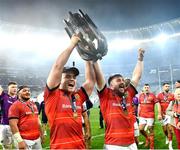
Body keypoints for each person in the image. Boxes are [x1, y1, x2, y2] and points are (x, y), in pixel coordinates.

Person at [44, 34, 95, 149]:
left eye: (74, 77)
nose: (72, 79)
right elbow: (57, 66)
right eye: (67, 76)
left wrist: (86, 57)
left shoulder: (77, 96)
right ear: (59, 80)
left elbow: (91, 81)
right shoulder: (52, 94)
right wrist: (72, 44)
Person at [93, 48, 145, 150]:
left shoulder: (128, 93)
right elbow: (99, 76)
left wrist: (140, 59)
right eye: (118, 80)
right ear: (111, 86)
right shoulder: (106, 95)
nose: (122, 82)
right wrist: (94, 60)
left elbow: (136, 76)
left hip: (131, 144)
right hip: (113, 145)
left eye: (122, 79)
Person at [8, 85, 44, 149]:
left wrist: (41, 134)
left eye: (28, 91)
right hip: (24, 139)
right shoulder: (15, 106)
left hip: (37, 138)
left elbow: (37, 121)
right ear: (18, 93)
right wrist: (19, 141)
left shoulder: (33, 104)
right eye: (24, 91)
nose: (27, 92)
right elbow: (13, 124)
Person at [138, 84, 158, 149]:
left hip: (150, 115)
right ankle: (147, 138)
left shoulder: (152, 95)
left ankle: (152, 147)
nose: (146, 88)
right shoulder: (140, 96)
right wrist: (138, 113)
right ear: (143, 89)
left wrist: (159, 113)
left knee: (150, 129)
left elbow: (157, 104)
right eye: (145, 87)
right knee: (140, 129)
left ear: (149, 89)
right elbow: (139, 105)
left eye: (147, 87)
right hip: (142, 115)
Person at [157, 82, 174, 150]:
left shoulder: (172, 95)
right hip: (162, 115)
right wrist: (159, 114)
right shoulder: (159, 95)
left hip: (169, 114)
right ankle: (167, 137)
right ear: (163, 87)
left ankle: (170, 144)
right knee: (164, 130)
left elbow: (173, 105)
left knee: (170, 128)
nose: (167, 87)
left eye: (168, 86)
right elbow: (158, 105)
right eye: (166, 86)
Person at [0, 82, 18, 149]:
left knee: (19, 146)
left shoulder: (18, 98)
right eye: (12, 87)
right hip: (5, 125)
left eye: (16, 87)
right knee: (7, 147)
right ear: (8, 88)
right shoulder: (4, 96)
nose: (15, 89)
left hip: (17, 126)